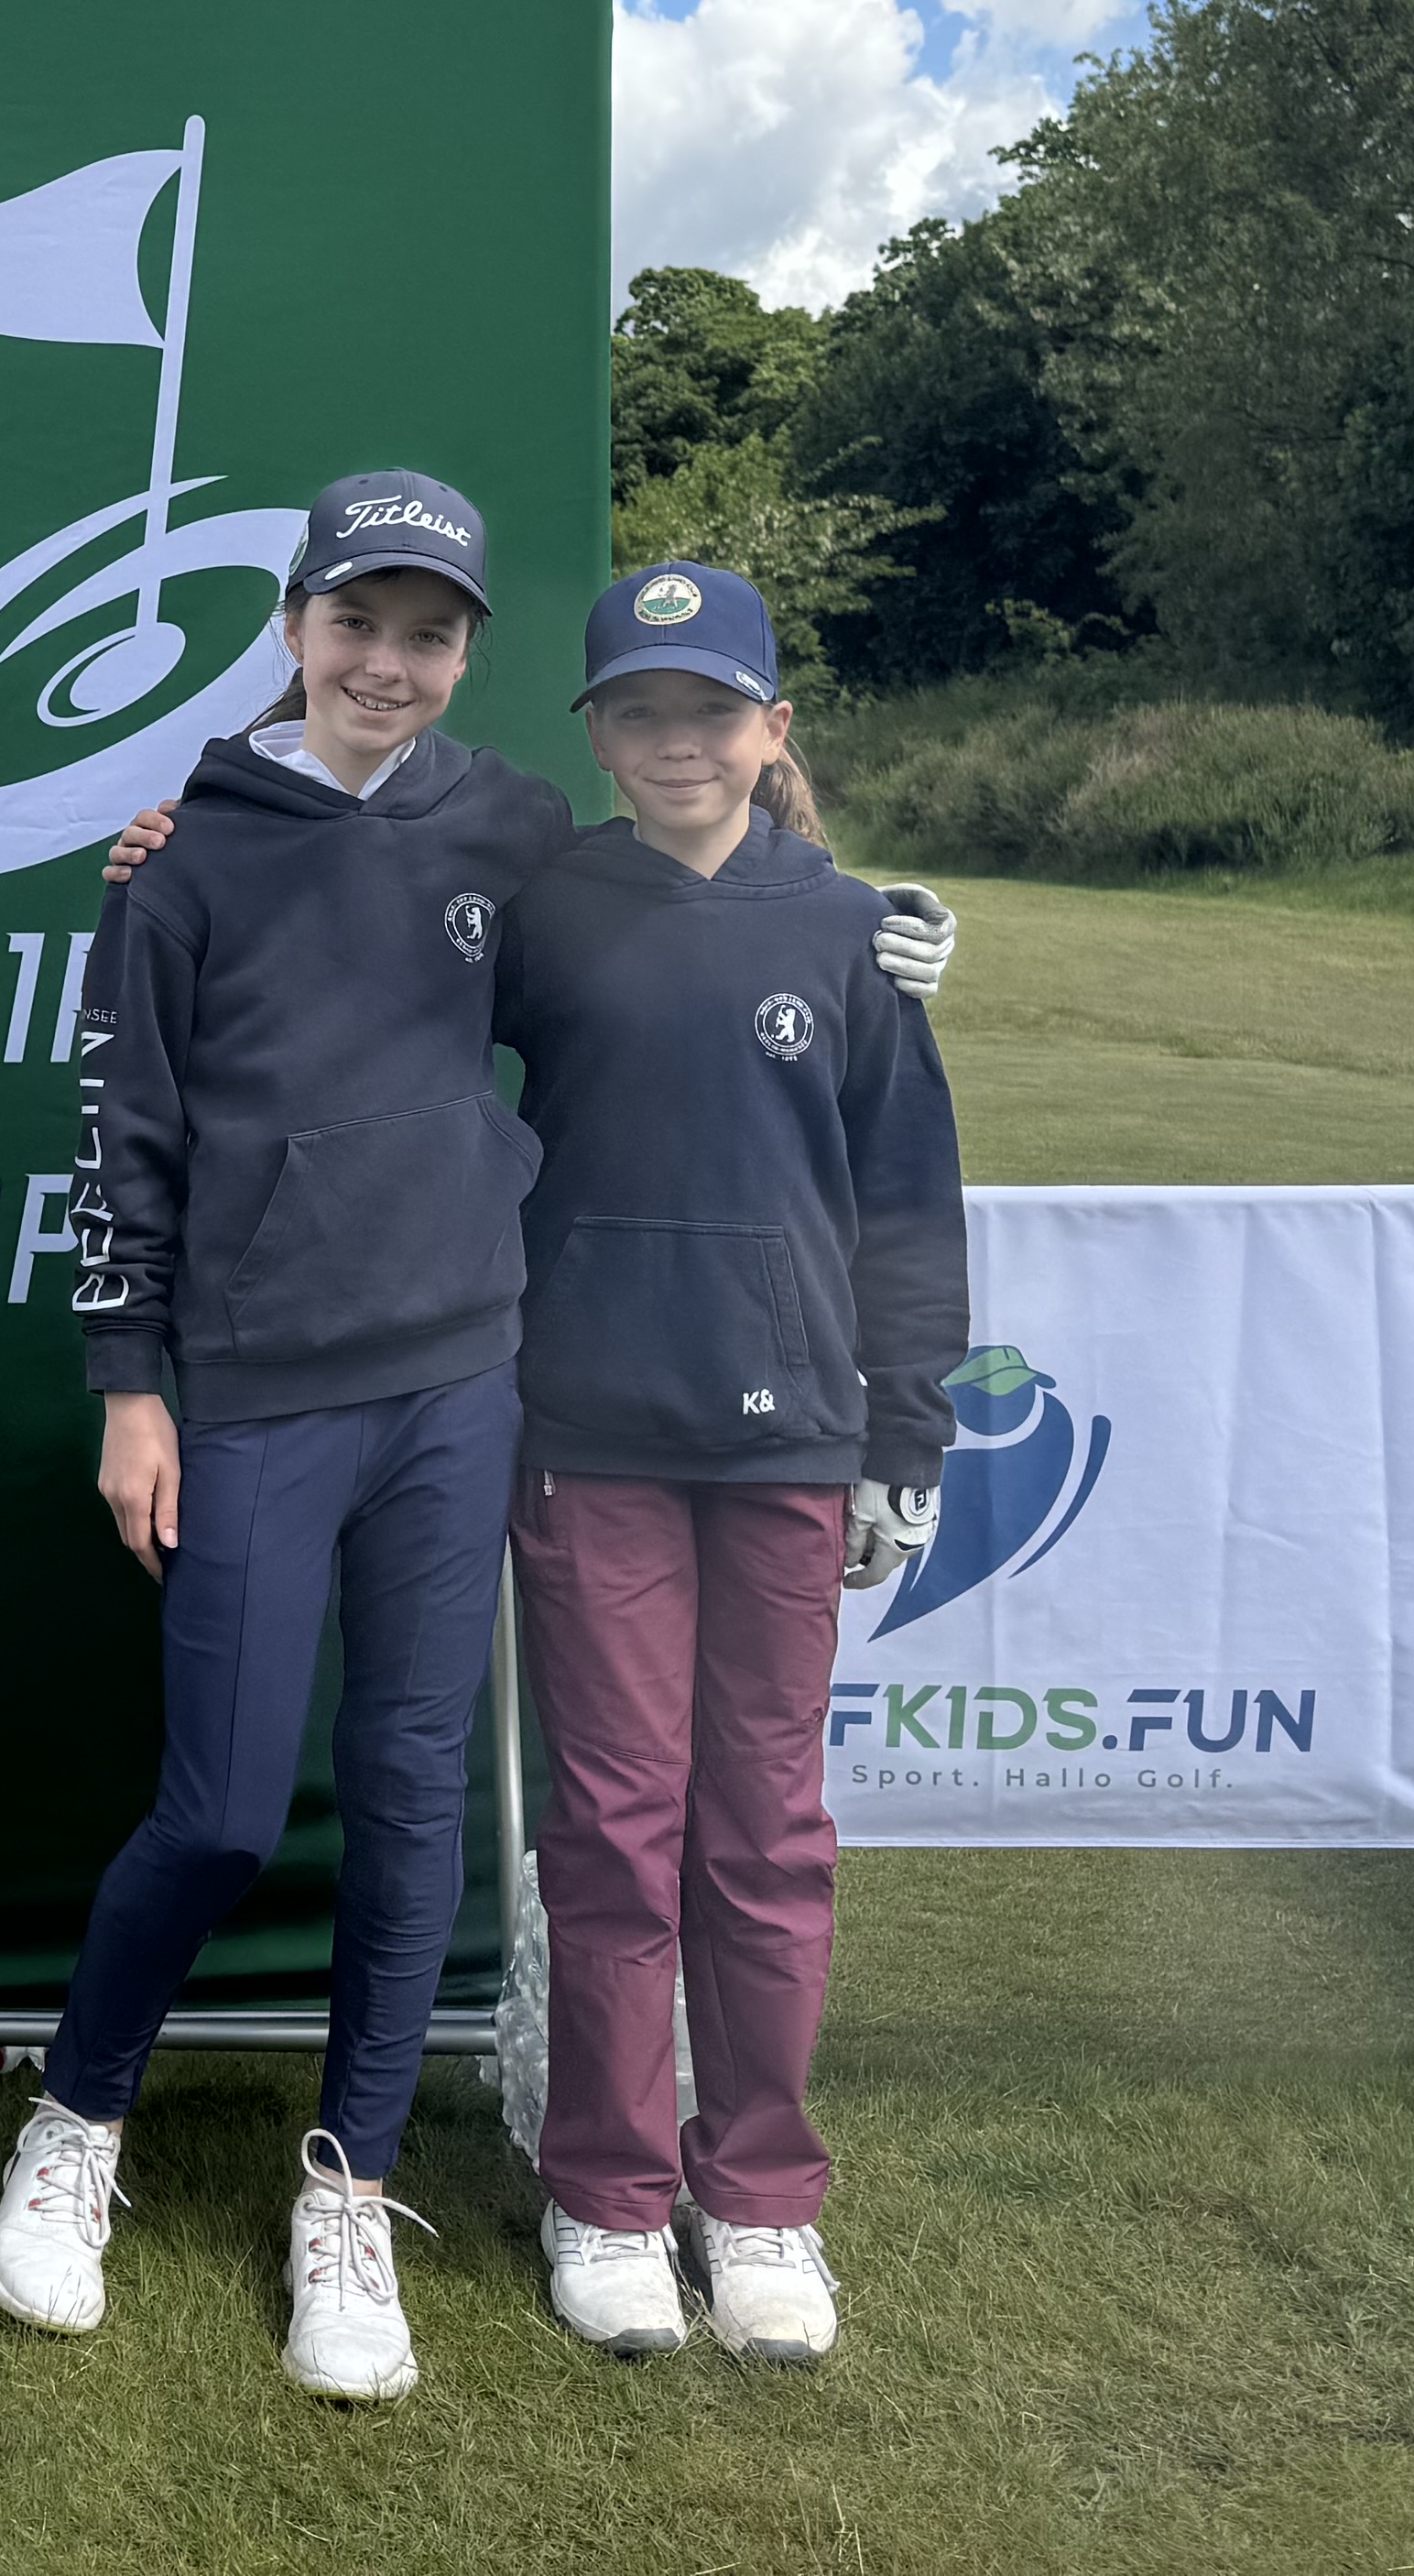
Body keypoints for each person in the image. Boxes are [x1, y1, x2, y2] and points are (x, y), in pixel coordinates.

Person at [0, 473, 956, 2399]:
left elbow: (701, 939)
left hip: (465, 1387)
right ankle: (74, 2125)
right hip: (255, 1384)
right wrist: (130, 1385)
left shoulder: (512, 831)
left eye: (428, 635)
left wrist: (880, 942)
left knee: (415, 1798)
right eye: (357, 623)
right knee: (226, 1810)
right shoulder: (180, 854)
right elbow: (121, 1143)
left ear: (469, 656)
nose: (388, 663)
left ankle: (353, 2184)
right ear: (293, 626)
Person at [498, 560, 963, 2369]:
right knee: (616, 1827)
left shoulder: (852, 934)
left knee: (764, 1830)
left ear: (773, 730)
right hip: (590, 1432)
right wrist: (176, 846)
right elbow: (367, 977)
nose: (675, 740)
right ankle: (610, 2194)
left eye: (710, 711)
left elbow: (908, 1209)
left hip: (792, 1444)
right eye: (641, 710)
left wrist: (907, 1433)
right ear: (599, 733)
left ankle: (759, 2195)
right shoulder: (543, 910)